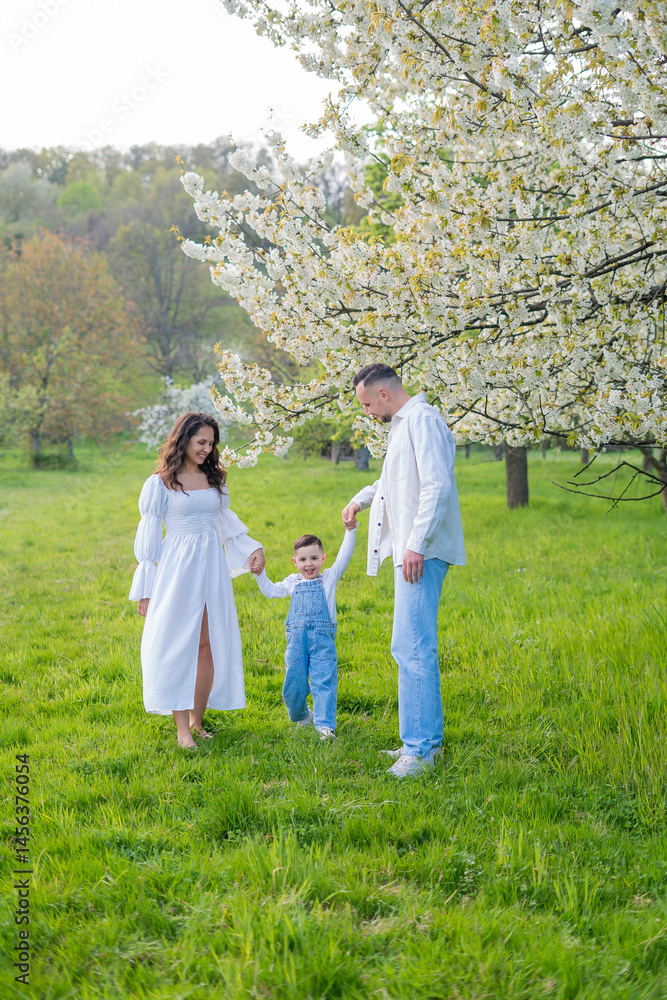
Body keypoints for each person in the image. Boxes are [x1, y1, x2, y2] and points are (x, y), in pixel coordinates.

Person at [341, 364, 466, 778]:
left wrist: (416, 544)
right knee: (406, 646)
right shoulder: (403, 424)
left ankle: (423, 752)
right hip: (412, 550)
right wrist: (359, 501)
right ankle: (416, 741)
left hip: (421, 552)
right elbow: (391, 482)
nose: (366, 412)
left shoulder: (424, 420)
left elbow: (436, 486)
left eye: (366, 404)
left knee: (414, 648)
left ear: (382, 393)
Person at [129, 412, 265, 750]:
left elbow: (224, 520)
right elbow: (148, 538)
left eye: (211, 443)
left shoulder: (213, 478)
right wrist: (146, 590)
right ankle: (182, 730)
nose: (207, 449)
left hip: (212, 568)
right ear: (184, 439)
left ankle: (197, 720)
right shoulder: (161, 482)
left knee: (209, 645)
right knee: (178, 644)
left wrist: (252, 549)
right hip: (177, 570)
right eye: (201, 442)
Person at [253, 527, 356, 739]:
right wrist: (259, 574)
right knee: (293, 686)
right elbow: (270, 591)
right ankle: (303, 715)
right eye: (303, 559)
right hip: (296, 644)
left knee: (324, 682)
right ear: (294, 561)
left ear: (323, 558)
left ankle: (325, 727)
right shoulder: (293, 582)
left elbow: (345, 556)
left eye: (314, 558)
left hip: (322, 643)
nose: (309, 564)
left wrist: (349, 531)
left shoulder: (328, 579)